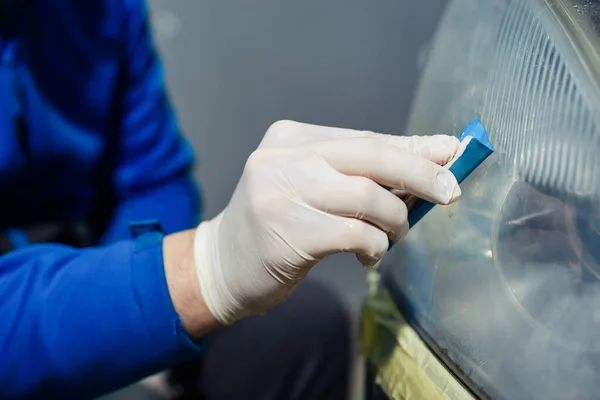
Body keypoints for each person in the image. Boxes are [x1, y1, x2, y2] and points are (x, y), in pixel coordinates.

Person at [0, 1, 462, 399]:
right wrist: (199, 274)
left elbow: (154, 178)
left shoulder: (96, 12)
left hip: (79, 268)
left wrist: (120, 312)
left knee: (302, 330)